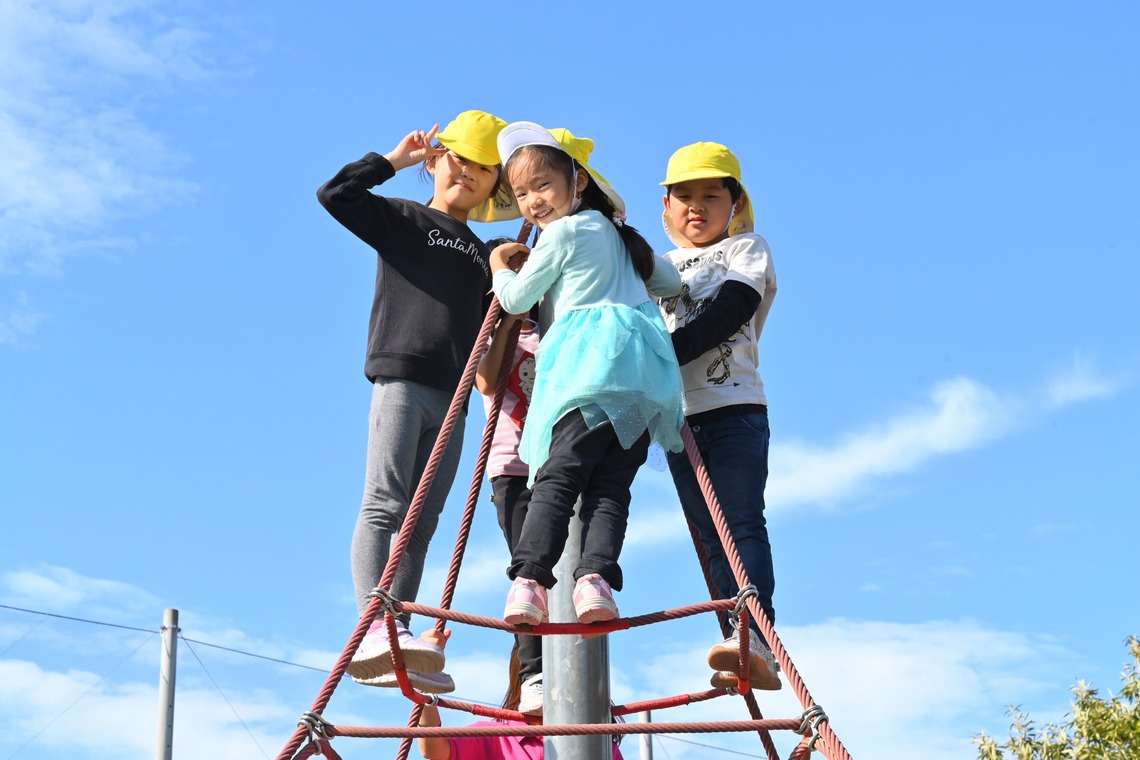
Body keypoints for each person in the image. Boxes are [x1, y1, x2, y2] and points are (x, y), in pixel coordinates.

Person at [316, 110, 516, 693]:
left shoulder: (484, 253)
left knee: (422, 521)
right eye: (459, 159)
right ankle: (373, 625)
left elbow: (500, 330)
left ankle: (397, 630)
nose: (469, 173)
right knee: (385, 502)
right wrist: (393, 161)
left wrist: (509, 272)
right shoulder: (404, 217)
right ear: (436, 161)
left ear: (494, 185)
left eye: (484, 168)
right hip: (402, 378)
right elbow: (335, 195)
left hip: (455, 397)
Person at [488, 122, 685, 629]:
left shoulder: (564, 233)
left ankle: (530, 579)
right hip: (642, 377)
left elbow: (516, 299)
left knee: (560, 473)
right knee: (611, 483)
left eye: (543, 185)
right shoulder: (619, 236)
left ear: (577, 182)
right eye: (522, 193)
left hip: (588, 368)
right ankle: (594, 578)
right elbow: (670, 281)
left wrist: (499, 265)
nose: (533, 201)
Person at [656, 142, 781, 691]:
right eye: (684, 196)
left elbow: (731, 309)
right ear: (666, 206)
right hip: (678, 419)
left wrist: (660, 355)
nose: (697, 207)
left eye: (711, 196)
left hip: (734, 408)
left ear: (736, 204)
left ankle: (756, 637)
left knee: (740, 521)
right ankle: (734, 642)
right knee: (709, 536)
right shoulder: (655, 268)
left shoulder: (745, 249)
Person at [473, 254, 543, 715]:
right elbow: (485, 381)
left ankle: (578, 674)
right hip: (513, 467)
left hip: (558, 465)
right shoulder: (490, 334)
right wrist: (509, 316)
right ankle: (534, 673)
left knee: (567, 573)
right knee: (528, 571)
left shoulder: (553, 328)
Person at [415, 630, 626, 760]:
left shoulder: (600, 744)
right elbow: (433, 750)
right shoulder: (496, 737)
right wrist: (426, 674)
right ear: (525, 676)